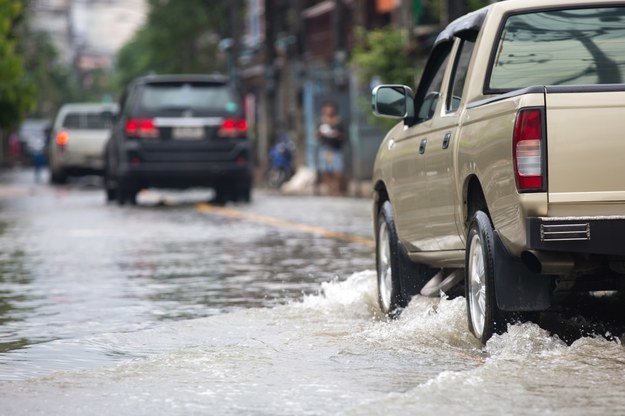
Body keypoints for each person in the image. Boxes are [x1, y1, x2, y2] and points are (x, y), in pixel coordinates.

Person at [316, 101, 345, 196]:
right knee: (326, 171)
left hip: (336, 149)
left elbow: (344, 136)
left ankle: (339, 190)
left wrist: (335, 134)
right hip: (325, 149)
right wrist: (321, 132)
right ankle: (330, 191)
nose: (328, 110)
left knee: (338, 171)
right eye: (326, 108)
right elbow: (316, 136)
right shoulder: (321, 121)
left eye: (330, 108)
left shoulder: (338, 121)